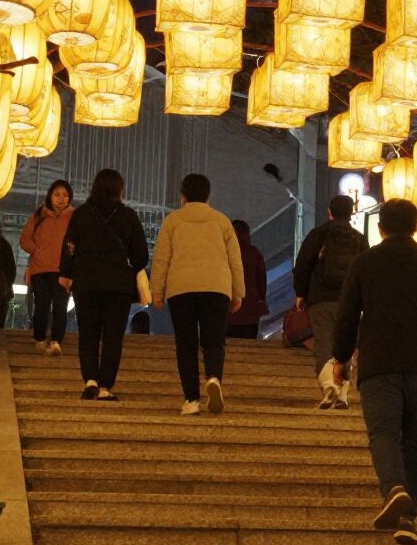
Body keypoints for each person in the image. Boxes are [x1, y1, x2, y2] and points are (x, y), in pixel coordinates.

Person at [331, 197, 417, 545]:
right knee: (415, 442)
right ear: (415, 227)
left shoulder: (364, 263)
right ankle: (408, 518)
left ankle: (393, 488)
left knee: (383, 433)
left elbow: (347, 316)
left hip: (380, 363)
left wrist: (340, 360)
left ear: (380, 229)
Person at [149, 173, 245, 416]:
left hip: (181, 289)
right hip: (216, 288)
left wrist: (156, 290)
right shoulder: (221, 221)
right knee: (214, 341)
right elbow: (235, 260)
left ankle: (191, 400)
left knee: (186, 345)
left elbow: (161, 259)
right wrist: (238, 293)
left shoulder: (173, 221)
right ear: (208, 196)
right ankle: (213, 378)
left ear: (183, 196)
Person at [59, 168, 149, 402]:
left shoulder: (81, 214)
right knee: (112, 337)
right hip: (118, 286)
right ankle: (105, 387)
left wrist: (66, 272)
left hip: (86, 283)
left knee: (88, 334)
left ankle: (90, 379)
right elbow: (141, 255)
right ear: (119, 189)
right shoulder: (128, 216)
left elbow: (69, 245)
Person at [293, 193, 367, 409]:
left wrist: (300, 293)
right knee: (345, 346)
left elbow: (303, 264)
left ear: (330, 212)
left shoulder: (318, 235)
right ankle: (342, 395)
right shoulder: (359, 239)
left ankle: (328, 385)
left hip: (321, 299)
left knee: (324, 344)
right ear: (352, 212)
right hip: (350, 301)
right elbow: (366, 270)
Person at [20, 179, 74, 354]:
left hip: (63, 270)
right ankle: (40, 338)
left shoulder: (74, 218)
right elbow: (24, 239)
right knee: (42, 305)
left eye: (65, 195)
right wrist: (37, 251)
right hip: (40, 269)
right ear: (50, 196)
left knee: (60, 306)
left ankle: (56, 341)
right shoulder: (39, 216)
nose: (60, 199)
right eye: (57, 194)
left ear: (70, 198)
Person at [227, 219, 269, 339]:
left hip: (230, 308)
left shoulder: (225, 253)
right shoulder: (254, 253)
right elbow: (261, 281)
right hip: (251, 309)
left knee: (228, 343)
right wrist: (261, 299)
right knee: (249, 340)